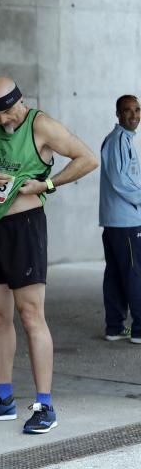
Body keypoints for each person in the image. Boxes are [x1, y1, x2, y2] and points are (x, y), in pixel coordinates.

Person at [0, 76, 97, 434]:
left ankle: (44, 404)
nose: (3, 122)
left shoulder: (41, 124)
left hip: (25, 227)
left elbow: (87, 158)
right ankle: (3, 399)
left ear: (19, 101)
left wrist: (49, 184)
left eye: (7, 113)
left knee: (31, 314)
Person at [99, 95, 141, 343]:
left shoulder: (125, 139)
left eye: (137, 110)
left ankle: (114, 328)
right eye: (127, 111)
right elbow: (120, 181)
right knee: (136, 273)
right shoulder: (117, 140)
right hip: (126, 222)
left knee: (116, 273)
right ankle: (139, 330)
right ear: (117, 113)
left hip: (118, 222)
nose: (134, 115)